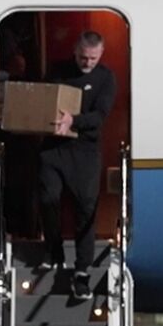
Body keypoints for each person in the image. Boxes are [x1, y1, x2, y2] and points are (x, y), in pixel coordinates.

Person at [39, 30, 116, 299]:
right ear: (75, 51)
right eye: (83, 57)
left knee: (86, 208)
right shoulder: (58, 71)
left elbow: (100, 115)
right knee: (48, 198)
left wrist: (75, 120)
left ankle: (82, 269)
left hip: (85, 150)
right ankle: (54, 249)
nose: (87, 63)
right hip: (55, 148)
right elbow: (44, 99)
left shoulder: (105, 78)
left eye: (93, 58)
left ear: (101, 54)